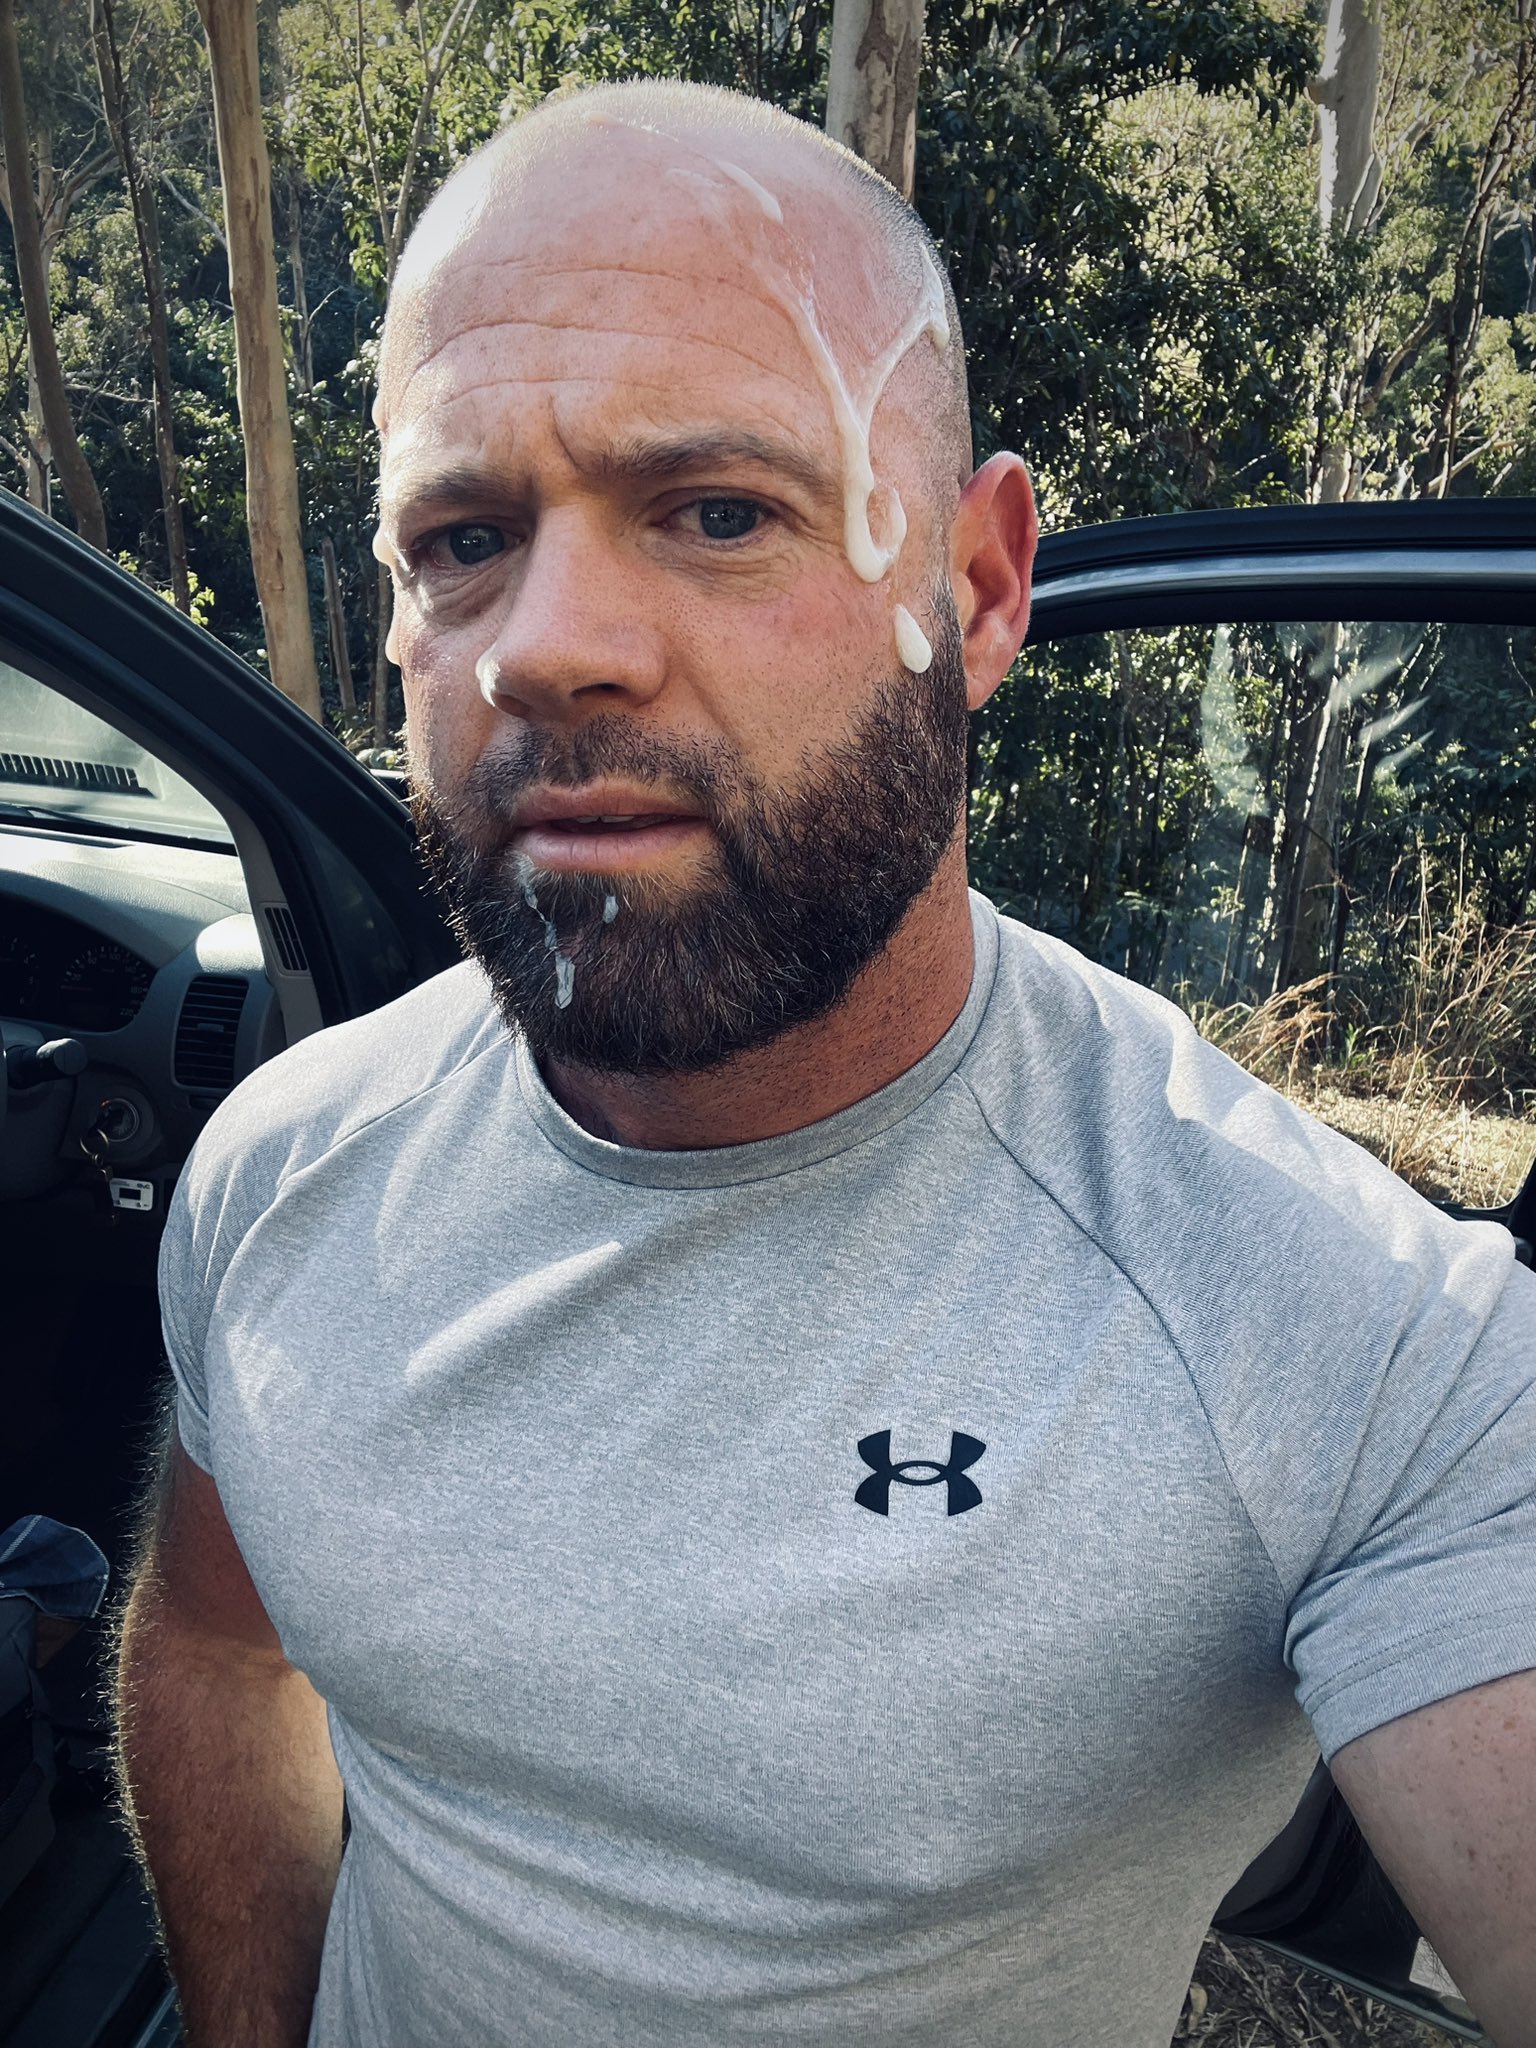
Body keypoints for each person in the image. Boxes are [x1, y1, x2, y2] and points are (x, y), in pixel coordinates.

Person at [113, 78, 1536, 2048]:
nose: (547, 647)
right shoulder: (282, 1166)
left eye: (718, 512)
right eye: (464, 538)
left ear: (981, 588)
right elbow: (211, 1645)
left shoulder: (1344, 1333)